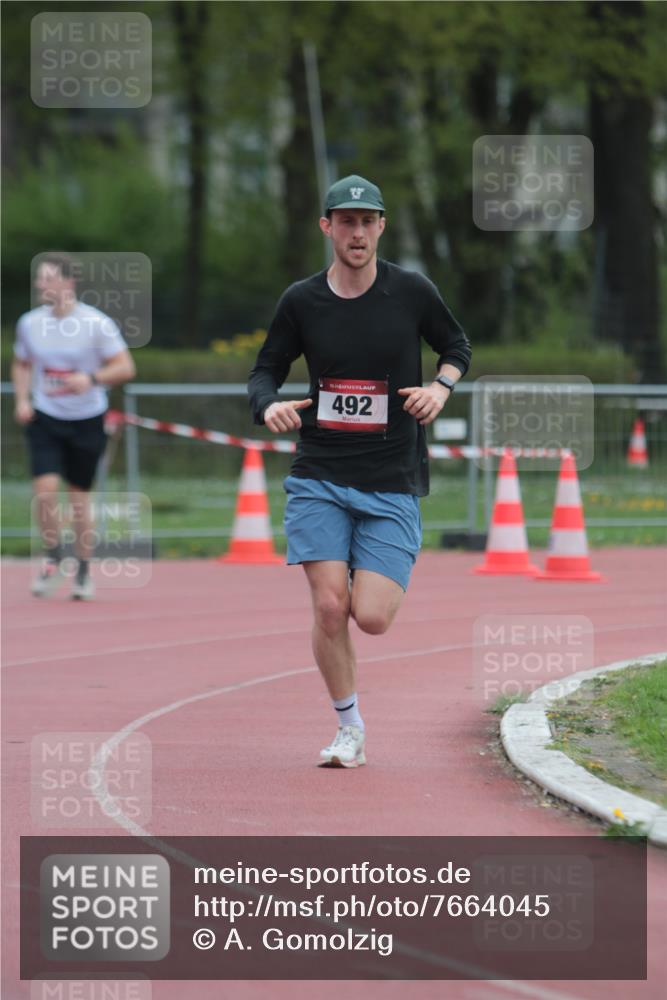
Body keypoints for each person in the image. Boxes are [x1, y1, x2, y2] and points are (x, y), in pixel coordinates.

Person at [248, 174, 471, 768]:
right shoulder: (301, 300)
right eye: (345, 221)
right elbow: (264, 369)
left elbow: (457, 347)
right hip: (319, 471)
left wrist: (440, 389)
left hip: (391, 476)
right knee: (328, 607)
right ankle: (349, 728)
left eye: (367, 221)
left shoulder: (412, 291)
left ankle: (385, 558)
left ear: (380, 228)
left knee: (369, 618)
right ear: (327, 227)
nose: (357, 232)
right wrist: (267, 403)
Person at [12, 252, 136, 600]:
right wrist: (22, 400)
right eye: (39, 278)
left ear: (69, 282)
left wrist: (92, 378)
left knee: (79, 498)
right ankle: (53, 555)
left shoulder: (96, 323)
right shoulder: (30, 323)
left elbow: (126, 367)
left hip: (86, 419)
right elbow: (21, 364)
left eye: (48, 278)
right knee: (45, 493)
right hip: (45, 417)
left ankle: (83, 570)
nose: (40, 284)